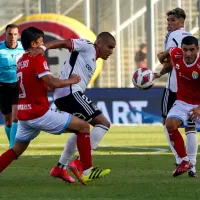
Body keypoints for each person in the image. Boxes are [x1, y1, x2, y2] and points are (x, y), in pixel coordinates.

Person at [0, 27, 108, 185]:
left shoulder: (21, 61)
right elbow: (52, 82)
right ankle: (86, 170)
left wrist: (59, 83)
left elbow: (43, 86)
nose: (44, 44)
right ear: (34, 43)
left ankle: (60, 168)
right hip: (39, 113)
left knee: (15, 150)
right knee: (83, 127)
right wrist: (71, 80)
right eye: (41, 41)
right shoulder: (37, 59)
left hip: (24, 115)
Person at [29, 32, 116, 182]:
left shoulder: (93, 60)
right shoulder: (88, 46)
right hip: (70, 93)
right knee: (103, 123)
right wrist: (44, 47)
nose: (111, 51)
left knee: (79, 130)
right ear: (99, 43)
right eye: (109, 47)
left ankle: (60, 168)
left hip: (64, 95)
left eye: (113, 48)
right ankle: (83, 165)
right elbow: (64, 43)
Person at [154, 8, 198, 177]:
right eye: (168, 20)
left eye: (173, 20)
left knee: (167, 122)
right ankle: (192, 166)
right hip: (186, 89)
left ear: (181, 22)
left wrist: (160, 62)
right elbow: (172, 58)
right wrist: (159, 73)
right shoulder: (188, 36)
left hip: (174, 87)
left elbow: (167, 60)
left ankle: (181, 160)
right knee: (190, 126)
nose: (169, 23)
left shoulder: (173, 36)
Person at [0, 24, 24, 148]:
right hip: (2, 87)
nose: (13, 37)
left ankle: (12, 148)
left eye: (15, 34)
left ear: (18, 35)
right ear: (5, 35)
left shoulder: (23, 48)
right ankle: (12, 145)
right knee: (8, 121)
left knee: (15, 118)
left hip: (17, 86)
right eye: (10, 34)